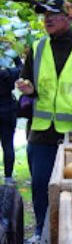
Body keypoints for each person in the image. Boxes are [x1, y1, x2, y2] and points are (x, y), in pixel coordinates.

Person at [16, 0, 72, 244]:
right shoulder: (37, 48)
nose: (47, 19)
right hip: (42, 130)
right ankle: (42, 233)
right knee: (40, 183)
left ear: (69, 16)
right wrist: (26, 88)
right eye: (44, 15)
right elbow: (30, 85)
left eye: (53, 14)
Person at [0, 54, 21, 183]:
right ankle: (8, 177)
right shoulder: (8, 73)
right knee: (8, 144)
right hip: (7, 111)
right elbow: (22, 68)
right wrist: (15, 57)